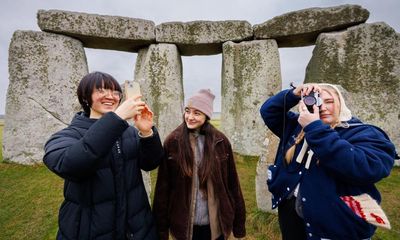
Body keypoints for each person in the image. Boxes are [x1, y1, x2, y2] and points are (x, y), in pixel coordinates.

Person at [260, 83, 397, 239]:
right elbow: (269, 111)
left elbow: (368, 168)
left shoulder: (365, 133)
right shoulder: (298, 127)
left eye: (329, 101)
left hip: (337, 223)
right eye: (316, 100)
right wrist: (293, 94)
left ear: (340, 102)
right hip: (291, 216)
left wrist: (315, 128)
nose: (322, 107)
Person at [43, 71, 163, 240]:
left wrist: (146, 132)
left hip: (136, 226)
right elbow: (70, 165)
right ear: (85, 97)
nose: (111, 96)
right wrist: (118, 117)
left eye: (115, 92)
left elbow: (150, 163)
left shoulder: (128, 132)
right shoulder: (66, 136)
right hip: (89, 228)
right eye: (101, 90)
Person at [153, 89, 246, 240]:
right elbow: (163, 189)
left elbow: (233, 184)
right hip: (184, 225)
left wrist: (239, 224)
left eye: (197, 113)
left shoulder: (221, 142)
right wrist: (161, 230)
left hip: (216, 226)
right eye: (187, 111)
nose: (190, 117)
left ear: (207, 116)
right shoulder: (173, 142)